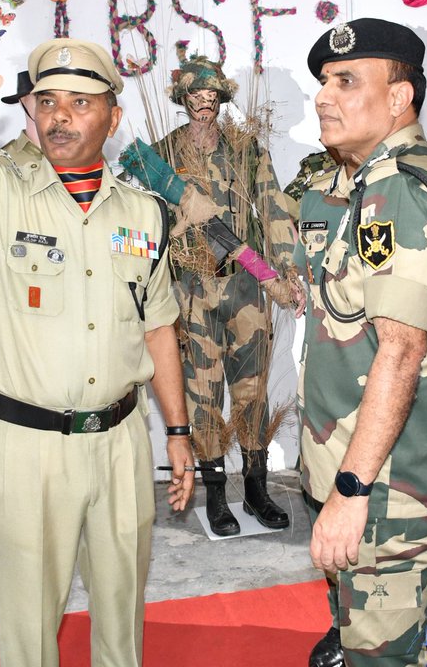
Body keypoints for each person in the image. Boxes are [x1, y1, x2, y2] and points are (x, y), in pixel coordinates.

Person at [0, 37, 195, 667]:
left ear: (112, 115)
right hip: (26, 449)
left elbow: (157, 326)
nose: (60, 115)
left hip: (119, 442)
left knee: (121, 614)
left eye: (81, 102)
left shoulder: (145, 214)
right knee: (27, 630)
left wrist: (179, 431)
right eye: (47, 100)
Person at [294, 18, 427, 666]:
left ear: (400, 97)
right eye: (324, 81)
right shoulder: (368, 181)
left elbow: (401, 351)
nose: (324, 95)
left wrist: (350, 489)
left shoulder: (399, 187)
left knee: (387, 654)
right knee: (365, 632)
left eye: (346, 80)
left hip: (385, 489)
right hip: (368, 473)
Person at [141, 56, 299, 536]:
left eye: (212, 97)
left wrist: (285, 269)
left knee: (252, 388)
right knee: (203, 394)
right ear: (183, 99)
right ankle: (214, 495)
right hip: (191, 291)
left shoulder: (246, 149)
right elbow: (144, 224)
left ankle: (255, 487)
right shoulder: (159, 155)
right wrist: (174, 224)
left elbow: (272, 206)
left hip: (246, 284)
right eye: (196, 96)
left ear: (222, 98)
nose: (204, 105)